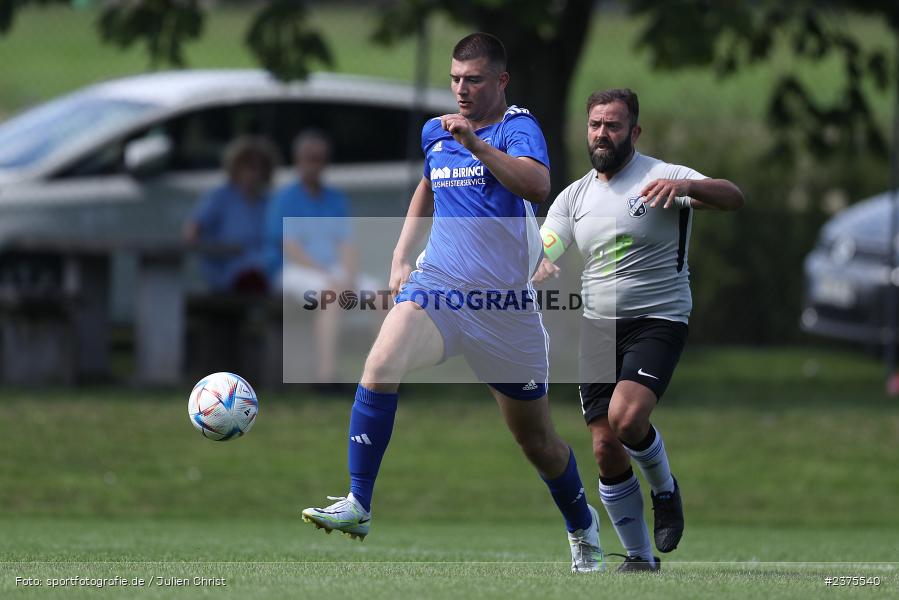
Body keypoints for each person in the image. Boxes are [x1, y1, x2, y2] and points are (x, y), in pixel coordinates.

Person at [301, 33, 605, 573]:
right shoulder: (436, 132)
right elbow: (428, 185)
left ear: (501, 81)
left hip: (504, 311)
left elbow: (538, 186)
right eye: (455, 79)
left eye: (474, 80)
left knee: (538, 442)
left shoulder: (517, 128)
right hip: (439, 288)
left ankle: (583, 527)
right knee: (380, 363)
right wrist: (402, 255)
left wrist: (477, 145)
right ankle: (358, 503)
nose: (462, 89)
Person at [534, 88, 744, 572]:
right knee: (605, 447)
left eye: (612, 125)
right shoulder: (574, 196)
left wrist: (690, 188)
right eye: (595, 125)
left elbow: (733, 197)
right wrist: (540, 262)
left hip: (658, 319)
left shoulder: (663, 177)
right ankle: (640, 558)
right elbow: (548, 244)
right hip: (597, 328)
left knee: (627, 420)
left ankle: (665, 491)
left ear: (634, 130)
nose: (602, 134)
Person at [266, 129, 375, 388]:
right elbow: (290, 247)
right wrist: (332, 278)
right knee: (331, 295)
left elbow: (346, 244)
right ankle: (326, 377)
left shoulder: (335, 199)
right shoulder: (285, 198)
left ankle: (381, 376)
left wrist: (349, 276)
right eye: (310, 157)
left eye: (320, 158)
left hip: (332, 271)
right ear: (298, 160)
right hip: (292, 270)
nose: (315, 164)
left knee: (385, 297)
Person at [184, 135, 278, 293]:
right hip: (227, 270)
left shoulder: (268, 202)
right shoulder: (219, 198)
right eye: (249, 167)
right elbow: (192, 232)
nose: (254, 174)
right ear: (236, 167)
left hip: (264, 269)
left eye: (259, 167)